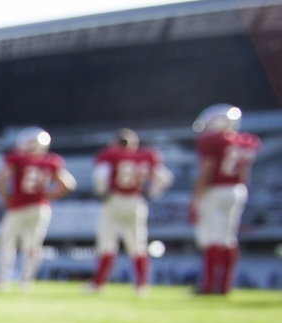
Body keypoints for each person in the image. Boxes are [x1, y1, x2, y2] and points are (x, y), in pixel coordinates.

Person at [88, 128, 173, 294]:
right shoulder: (145, 156)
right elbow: (165, 178)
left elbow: (100, 175)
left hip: (115, 200)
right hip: (136, 200)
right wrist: (151, 193)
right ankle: (141, 284)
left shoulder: (110, 155)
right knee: (137, 244)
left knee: (106, 242)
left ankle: (98, 283)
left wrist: (102, 192)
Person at [0, 127, 76, 290]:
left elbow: (1, 178)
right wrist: (49, 195)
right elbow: (68, 183)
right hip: (40, 207)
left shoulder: (17, 159)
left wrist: (5, 196)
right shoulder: (51, 161)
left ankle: (1, 280)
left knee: (6, 243)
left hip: (18, 206)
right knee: (32, 246)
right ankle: (25, 281)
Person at [189, 104, 260, 295]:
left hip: (216, 190)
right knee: (227, 238)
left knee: (212, 238)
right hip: (237, 190)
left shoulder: (215, 141)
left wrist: (195, 200)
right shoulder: (245, 142)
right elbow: (244, 173)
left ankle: (209, 284)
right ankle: (225, 284)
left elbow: (207, 171)